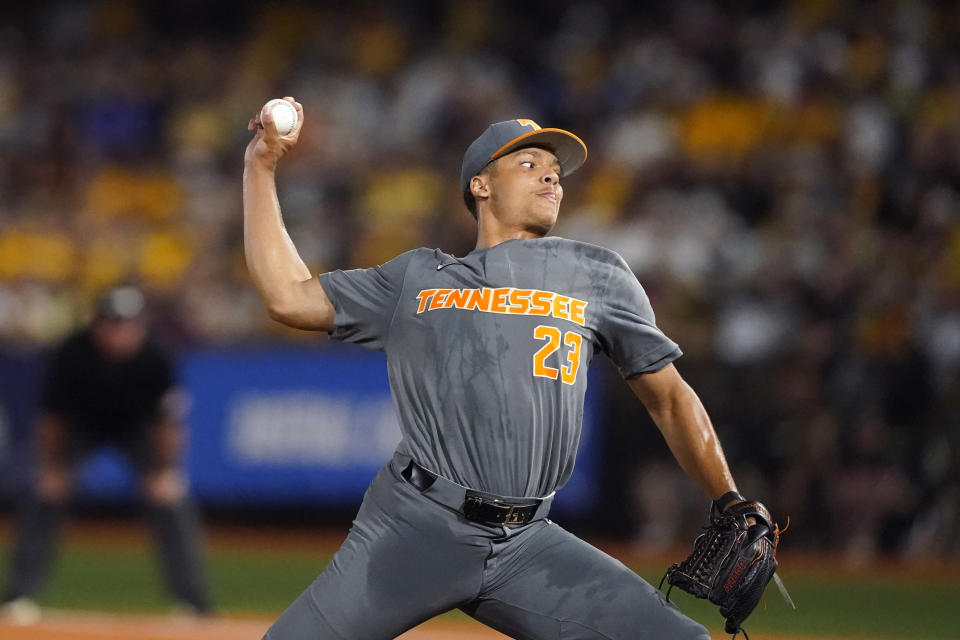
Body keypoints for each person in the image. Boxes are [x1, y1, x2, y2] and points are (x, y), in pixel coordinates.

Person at [244, 98, 757, 639]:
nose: (551, 178)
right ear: (481, 186)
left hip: (528, 544)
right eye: (530, 164)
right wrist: (262, 166)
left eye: (556, 172)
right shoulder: (418, 278)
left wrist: (728, 498)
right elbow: (287, 297)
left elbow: (669, 397)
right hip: (414, 528)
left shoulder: (598, 274)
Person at [1, 286, 212, 622]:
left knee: (172, 500)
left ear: (140, 327)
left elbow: (168, 423)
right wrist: (52, 467)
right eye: (111, 324)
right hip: (81, 427)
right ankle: (19, 595)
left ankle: (194, 603)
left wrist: (165, 469)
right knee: (43, 495)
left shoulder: (155, 354)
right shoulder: (72, 351)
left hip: (135, 428)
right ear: (96, 325)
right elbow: (51, 419)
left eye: (127, 325)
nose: (119, 333)